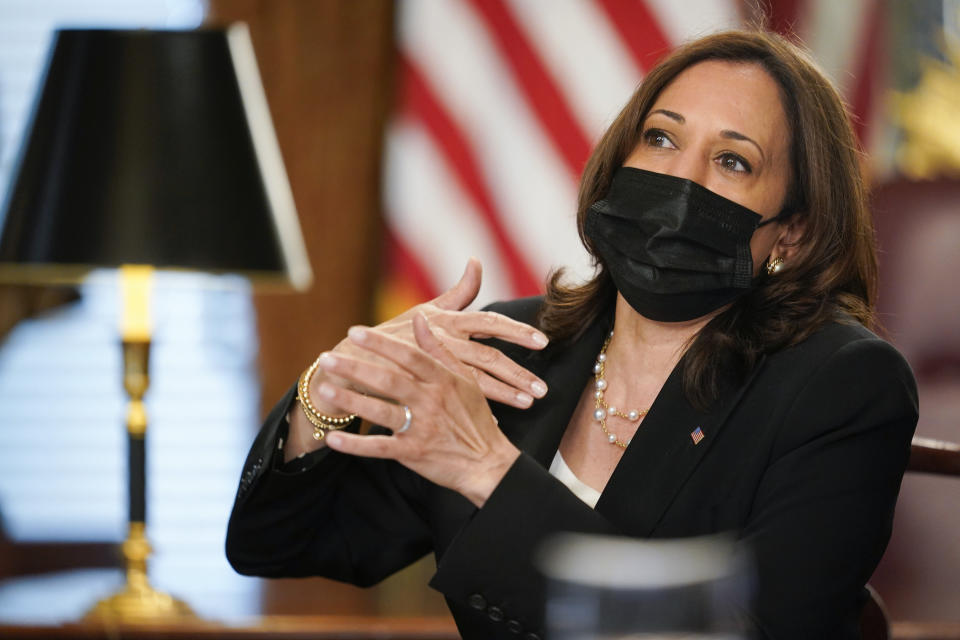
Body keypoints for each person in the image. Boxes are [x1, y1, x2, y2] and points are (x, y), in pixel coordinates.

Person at [226, 29, 918, 639]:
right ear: (619, 162)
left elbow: (758, 631)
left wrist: (487, 469)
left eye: (732, 161)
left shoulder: (840, 385)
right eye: (662, 138)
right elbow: (275, 546)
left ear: (790, 236)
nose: (680, 177)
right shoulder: (512, 347)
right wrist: (332, 387)